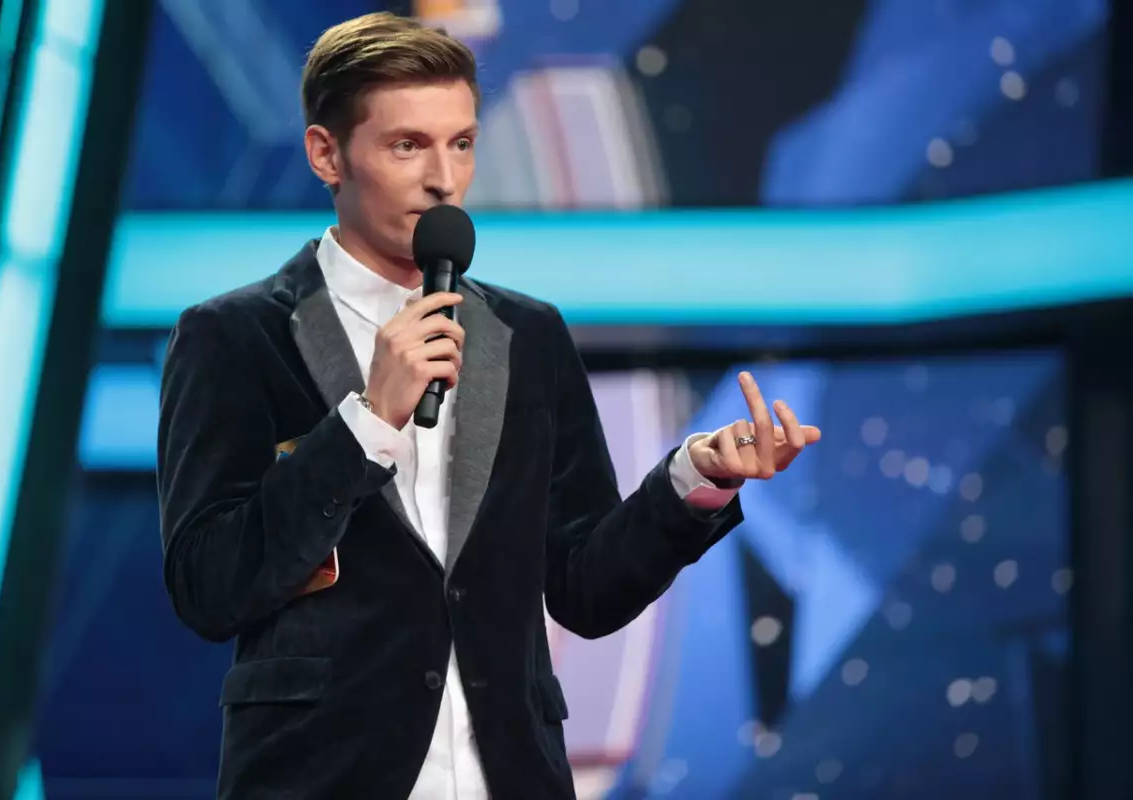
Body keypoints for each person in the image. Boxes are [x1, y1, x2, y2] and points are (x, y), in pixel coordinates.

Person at [156, 12, 820, 800]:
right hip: (322, 775)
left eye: (463, 143)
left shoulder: (527, 335)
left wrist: (694, 481)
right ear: (327, 154)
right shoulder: (234, 336)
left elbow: (585, 587)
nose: (444, 180)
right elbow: (210, 586)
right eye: (408, 145)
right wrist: (366, 420)